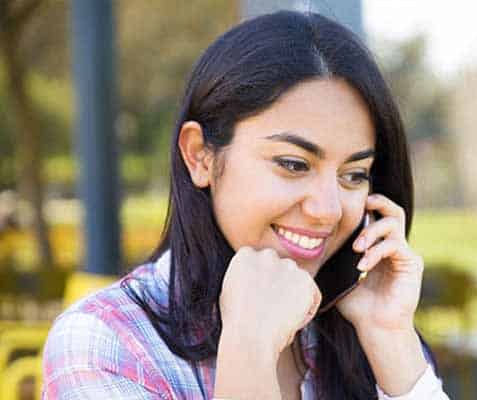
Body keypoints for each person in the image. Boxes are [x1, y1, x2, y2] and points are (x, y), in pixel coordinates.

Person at [41, 10, 449, 400]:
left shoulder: (361, 339)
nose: (328, 210)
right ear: (201, 155)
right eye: (293, 164)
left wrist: (390, 339)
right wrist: (249, 349)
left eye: (353, 175)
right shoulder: (108, 346)